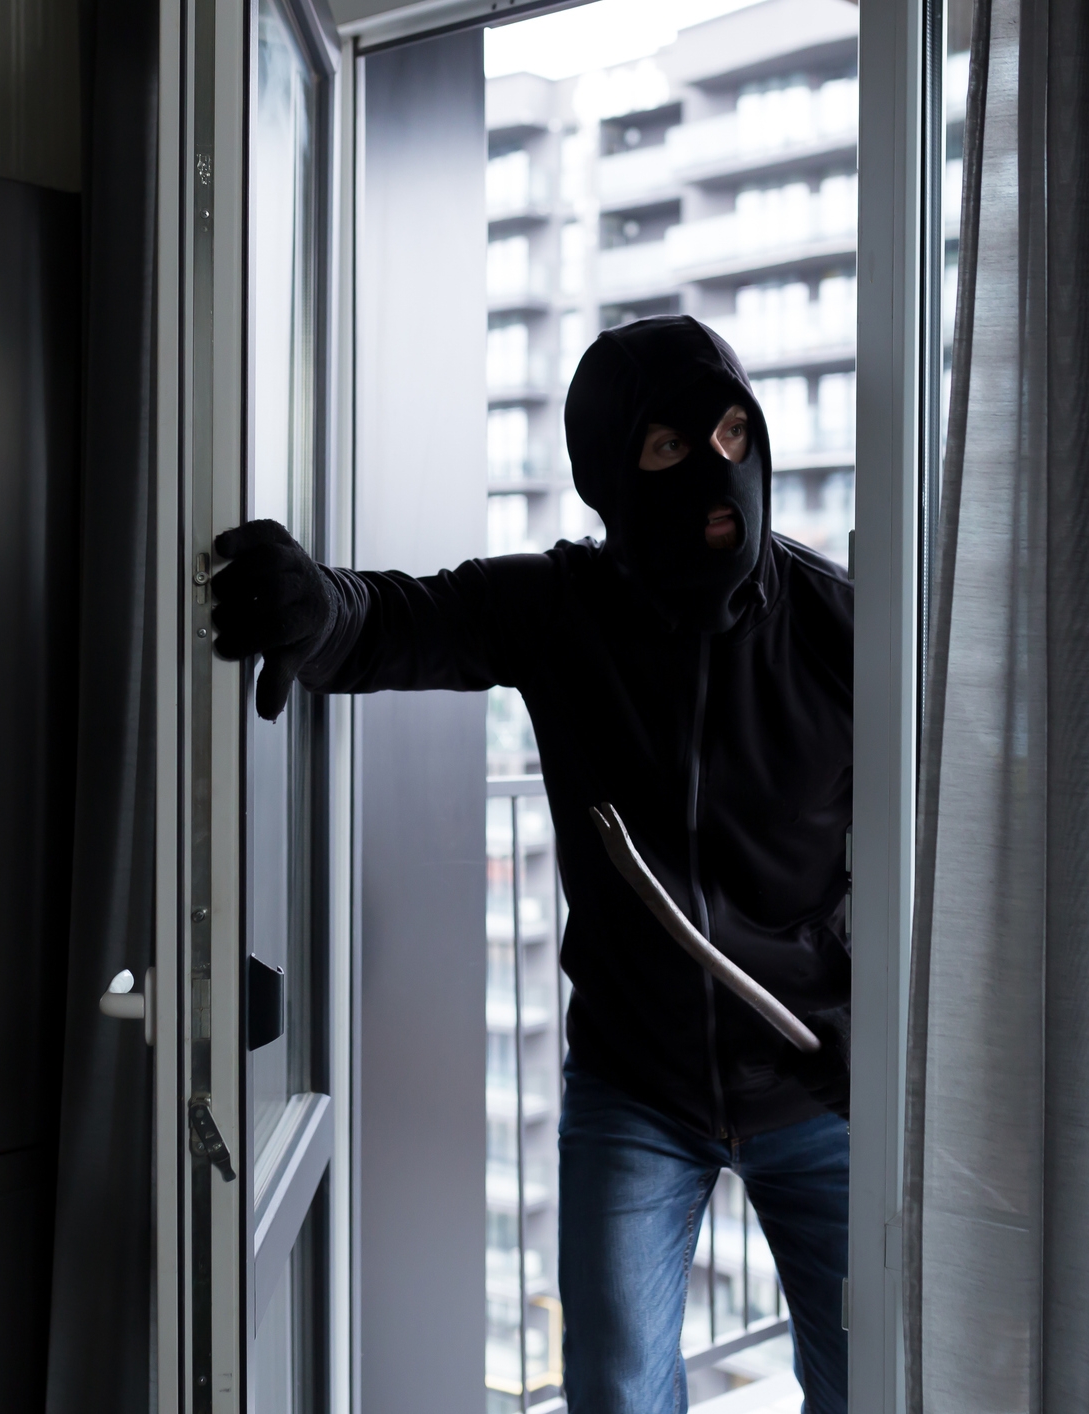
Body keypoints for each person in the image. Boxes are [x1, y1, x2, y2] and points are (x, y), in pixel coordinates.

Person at [211, 315, 853, 1414]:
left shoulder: (838, 623)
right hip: (637, 1085)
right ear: (610, 476)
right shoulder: (567, 609)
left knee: (873, 1378)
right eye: (668, 448)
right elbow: (396, 619)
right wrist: (312, 607)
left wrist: (875, 1023)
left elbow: (949, 845)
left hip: (821, 1082)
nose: (717, 471)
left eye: (736, 434)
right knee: (611, 1388)